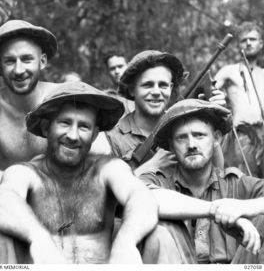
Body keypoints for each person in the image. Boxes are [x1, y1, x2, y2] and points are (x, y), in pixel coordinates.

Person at [0, 82, 159, 264]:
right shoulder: (26, 172)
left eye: (83, 127)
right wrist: (39, 238)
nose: (73, 135)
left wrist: (126, 242)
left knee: (159, 233)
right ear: (46, 128)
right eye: (65, 123)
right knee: (2, 239)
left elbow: (141, 197)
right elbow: (3, 201)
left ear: (94, 135)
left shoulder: (107, 169)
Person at [0, 19, 60, 262]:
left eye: (27, 59)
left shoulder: (63, 97)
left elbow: (100, 158)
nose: (18, 69)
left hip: (58, 200)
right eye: (9, 60)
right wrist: (19, 181)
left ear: (43, 61)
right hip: (0, 200)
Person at [141, 98, 264, 263]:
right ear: (171, 146)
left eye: (199, 135)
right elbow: (142, 197)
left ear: (216, 139)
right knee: (160, 225)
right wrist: (215, 210)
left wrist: (242, 207)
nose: (191, 144)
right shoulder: (158, 181)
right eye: (182, 138)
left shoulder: (236, 183)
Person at [98, 50, 225, 176]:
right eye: (147, 85)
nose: (156, 92)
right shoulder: (111, 139)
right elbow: (103, 193)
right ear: (132, 90)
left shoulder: (183, 127)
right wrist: (151, 166)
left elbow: (217, 172)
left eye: (163, 85)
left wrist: (212, 119)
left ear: (170, 88)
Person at [215, 21, 264, 177]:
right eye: (244, 40)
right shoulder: (229, 71)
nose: (248, 43)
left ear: (261, 43)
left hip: (263, 132)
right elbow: (207, 91)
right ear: (239, 46)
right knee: (246, 181)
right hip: (241, 135)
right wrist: (218, 99)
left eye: (252, 39)